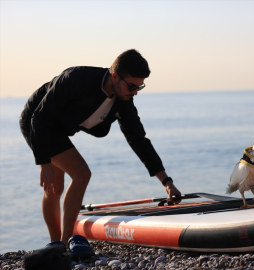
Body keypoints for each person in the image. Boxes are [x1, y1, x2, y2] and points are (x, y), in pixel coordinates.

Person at [19, 49, 182, 257]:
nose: (135, 92)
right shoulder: (76, 79)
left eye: (139, 87)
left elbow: (139, 140)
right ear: (115, 76)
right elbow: (40, 118)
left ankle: (57, 245)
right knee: (79, 175)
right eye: (132, 86)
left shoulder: (123, 102)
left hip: (58, 130)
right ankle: (62, 244)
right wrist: (44, 164)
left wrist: (166, 181)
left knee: (57, 186)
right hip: (36, 122)